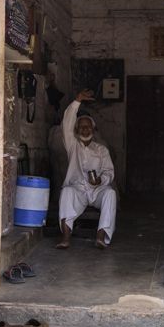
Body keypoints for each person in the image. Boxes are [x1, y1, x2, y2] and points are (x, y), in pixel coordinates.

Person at [56, 89, 116, 249]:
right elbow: (67, 123)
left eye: (88, 127)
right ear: (76, 130)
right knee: (66, 192)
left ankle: (101, 236)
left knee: (110, 193)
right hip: (78, 189)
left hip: (97, 191)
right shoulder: (72, 145)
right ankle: (66, 237)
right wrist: (77, 100)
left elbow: (109, 172)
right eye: (81, 127)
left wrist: (100, 180)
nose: (85, 129)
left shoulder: (101, 150)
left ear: (93, 129)